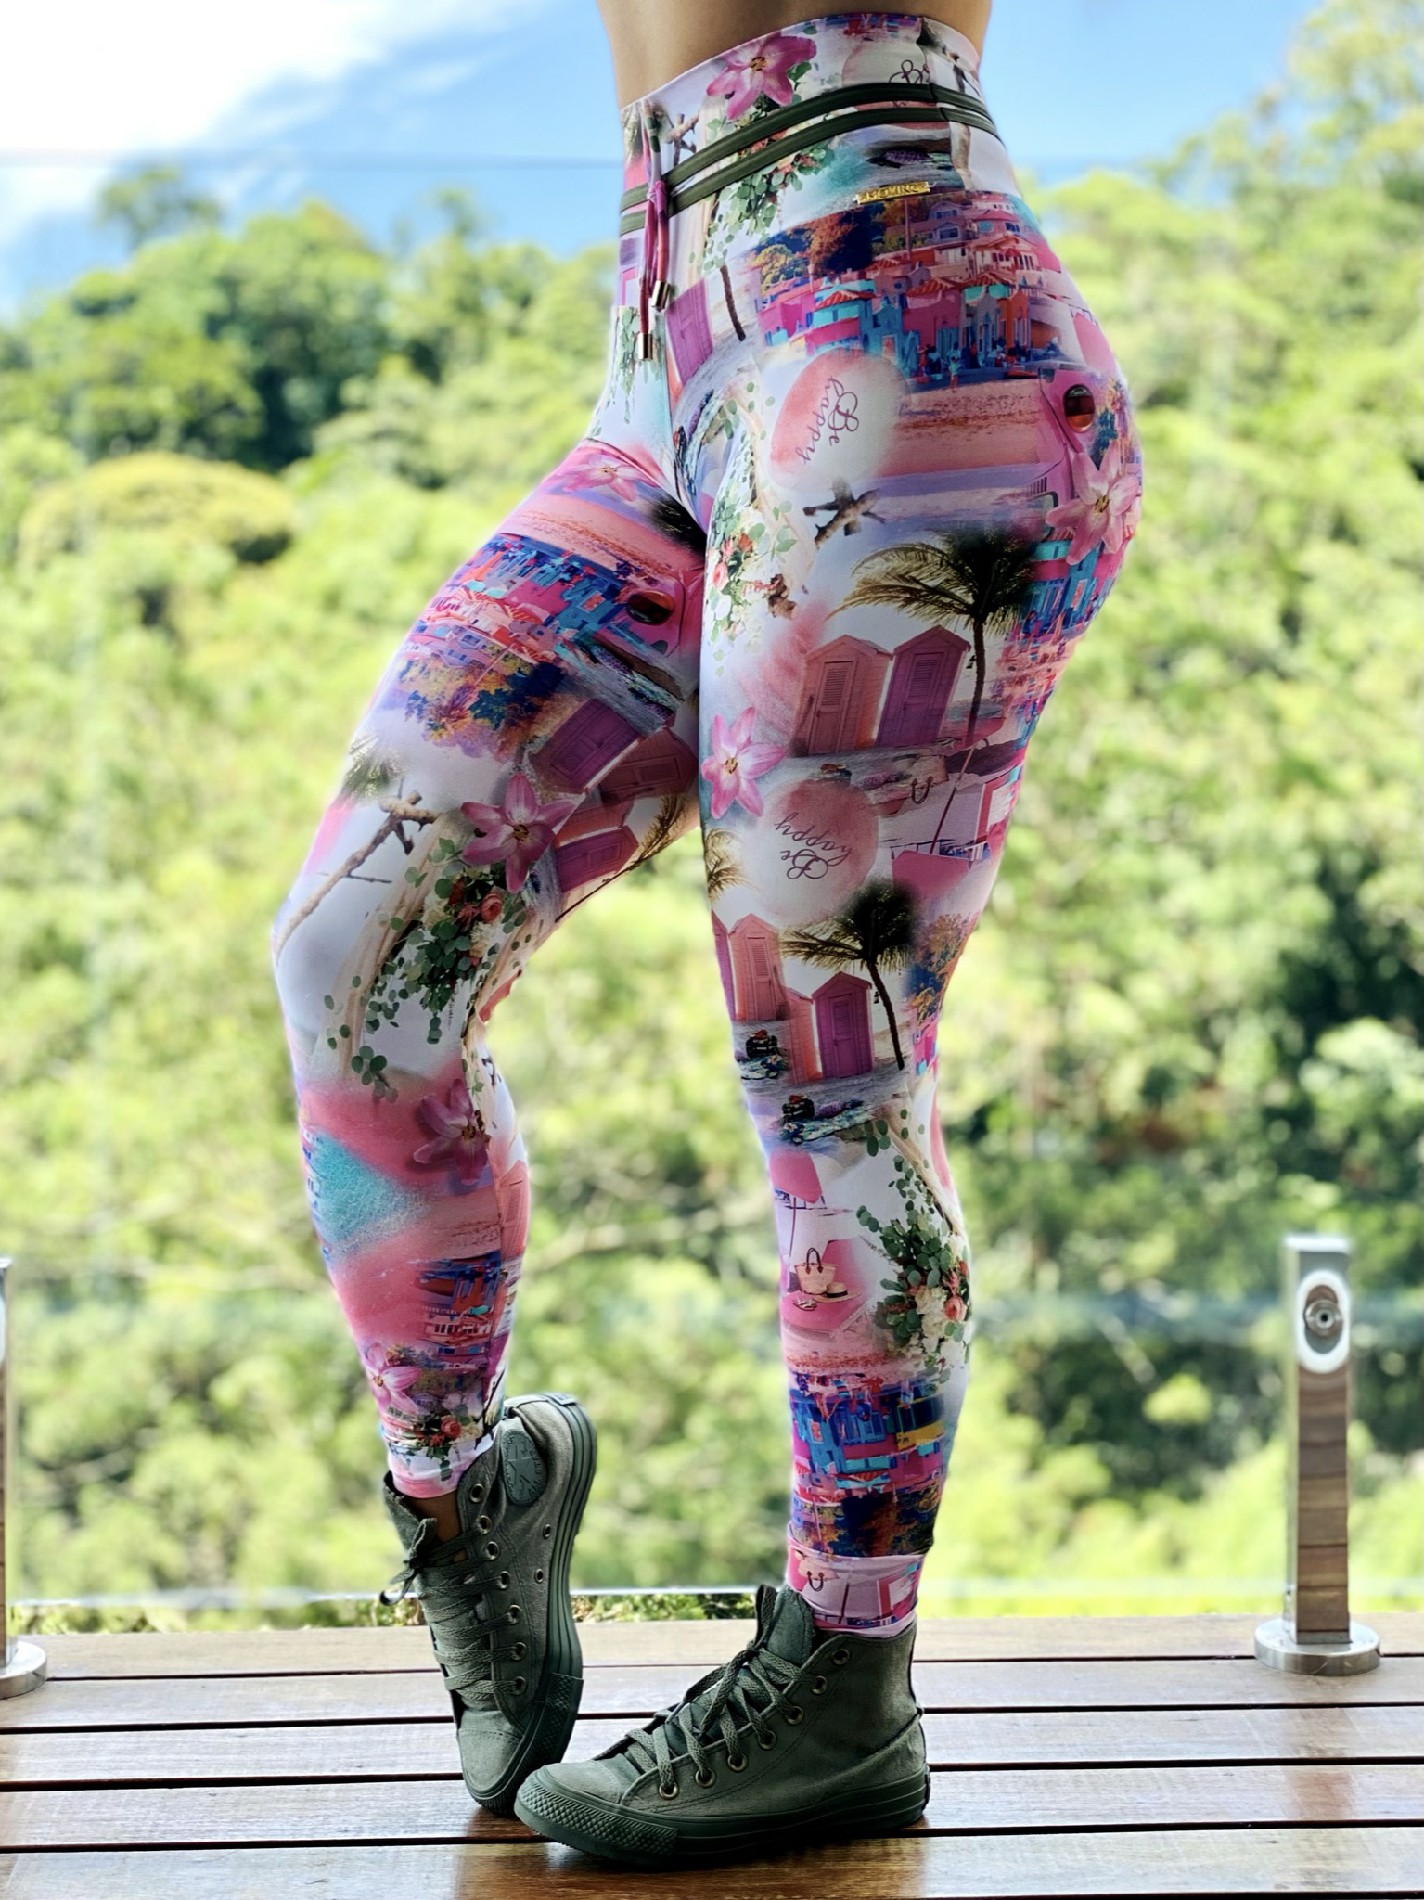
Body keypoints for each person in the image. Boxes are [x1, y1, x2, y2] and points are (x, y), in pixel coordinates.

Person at [269, 1, 1143, 1869]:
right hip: (663, 358)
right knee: (356, 956)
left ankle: (846, 1671)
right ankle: (466, 1491)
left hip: (897, 315)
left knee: (828, 1059)